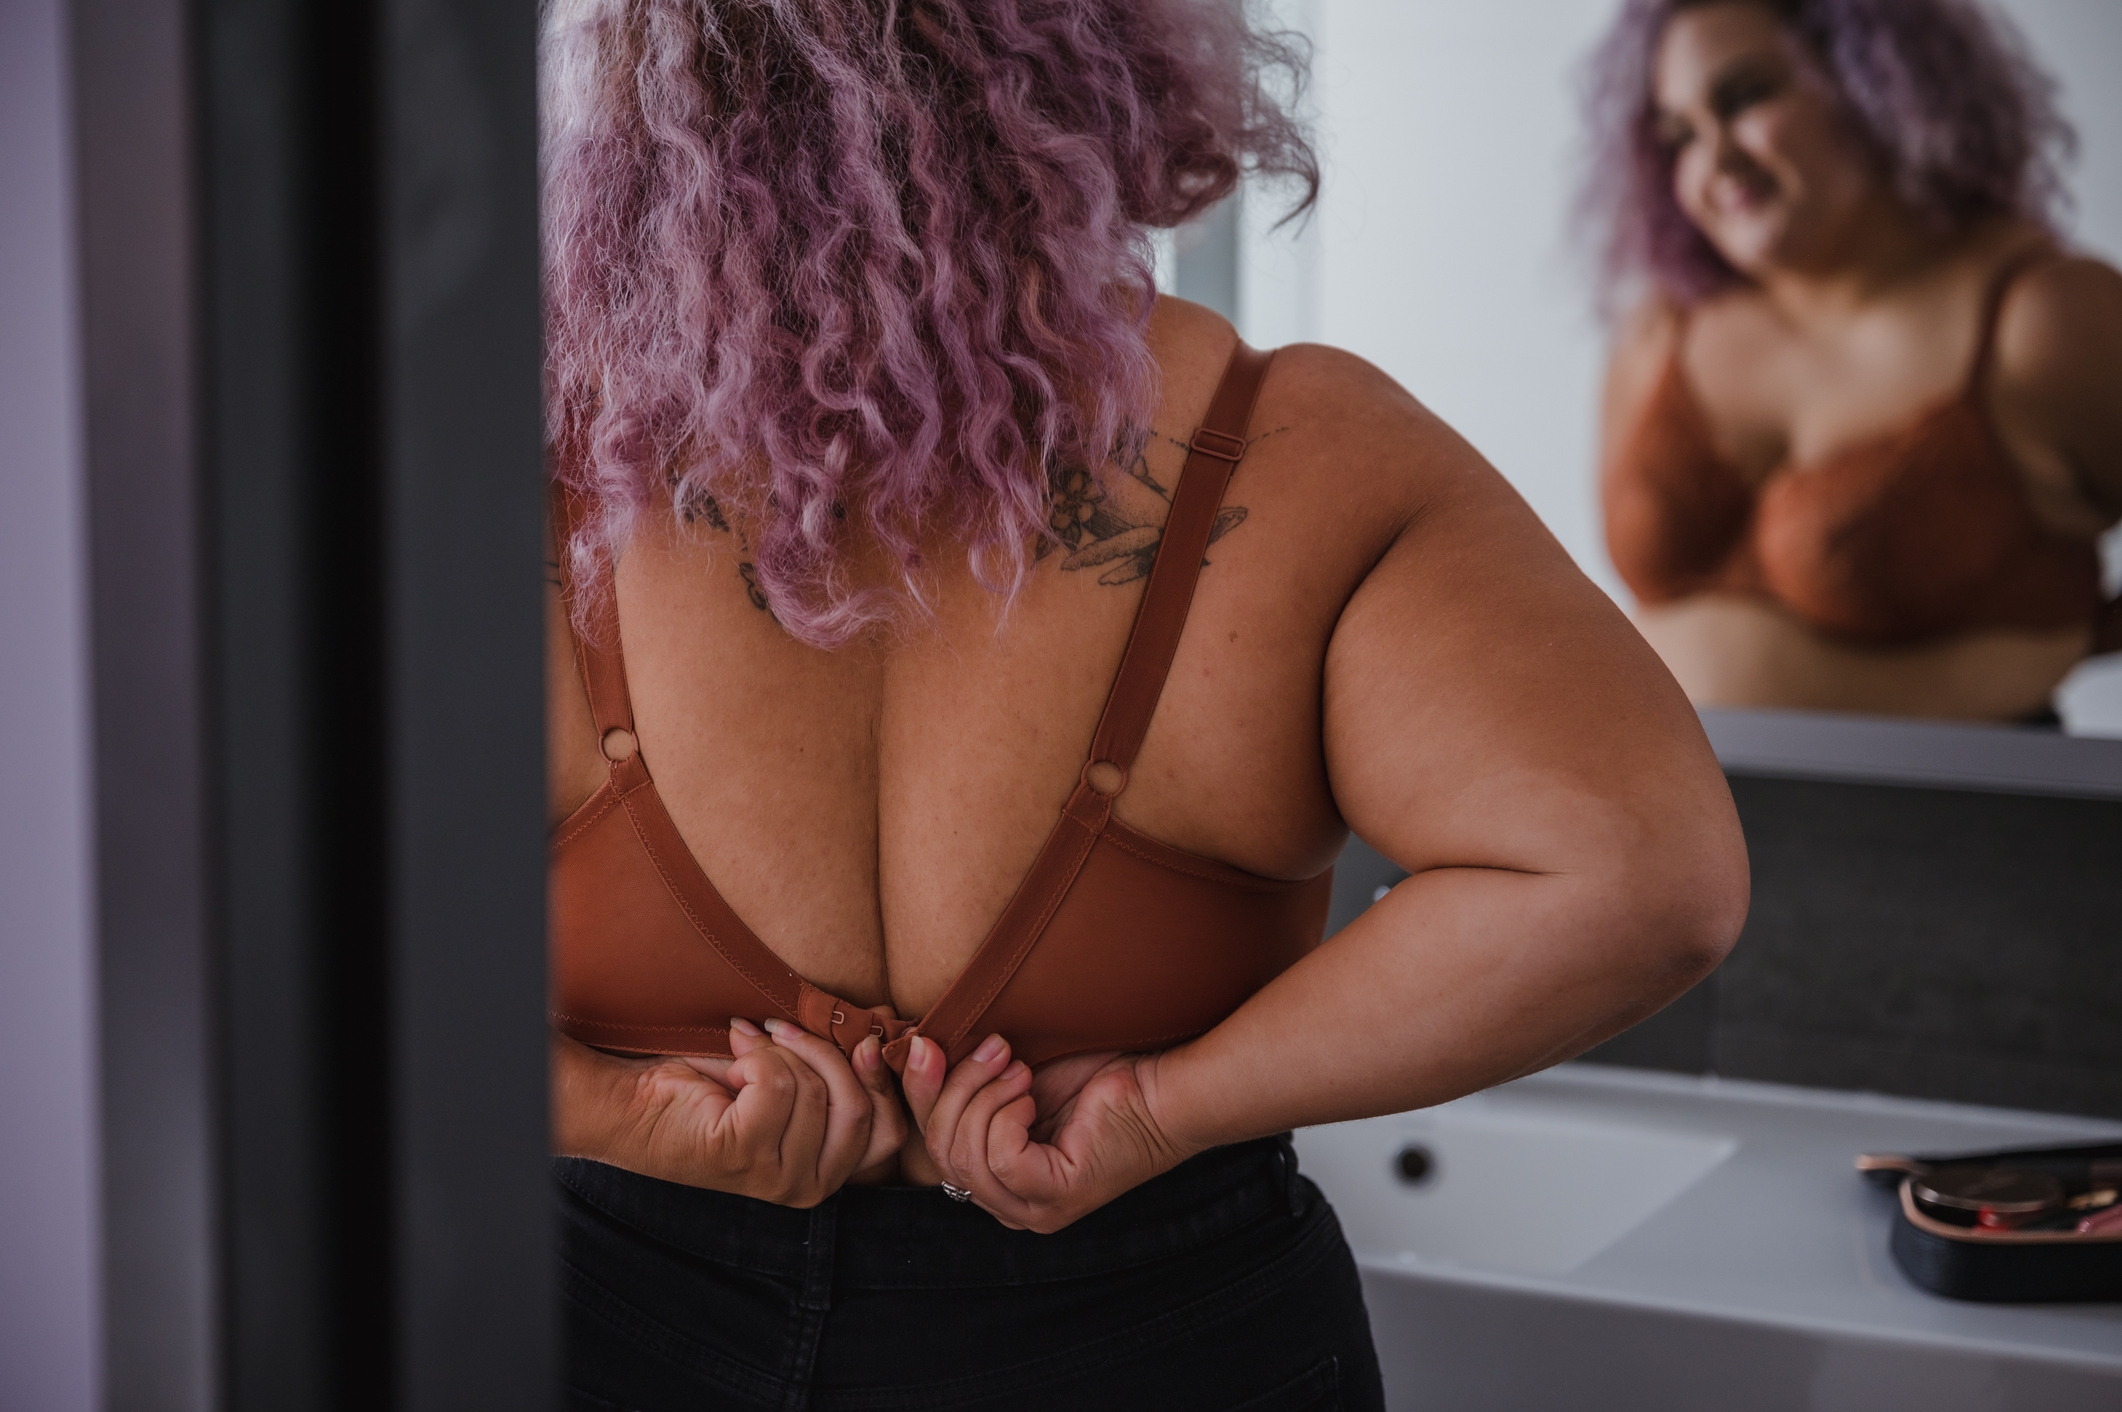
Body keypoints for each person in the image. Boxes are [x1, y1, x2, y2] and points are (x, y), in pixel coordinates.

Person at [540, 1, 1748, 1407]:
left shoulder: (505, 455)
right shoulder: (1306, 448)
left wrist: (624, 1118)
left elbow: (305, 953)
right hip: (1170, 1325)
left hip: (595, 1321)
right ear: (1105, 63)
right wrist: (1164, 1110)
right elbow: (1640, 878)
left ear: (639, 86)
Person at [1587, 0, 2122, 723]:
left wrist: (2057, 650)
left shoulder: (2042, 320)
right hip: (1657, 791)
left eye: (1745, 97)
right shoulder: (1658, 333)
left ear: (1875, 82)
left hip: (1948, 797)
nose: (1714, 159)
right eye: (1680, 134)